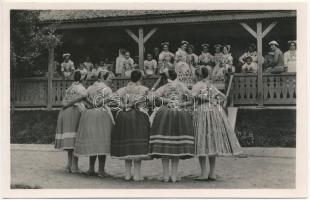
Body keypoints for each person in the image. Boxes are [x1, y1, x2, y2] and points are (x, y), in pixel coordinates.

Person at [192, 66, 242, 180]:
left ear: (199, 76)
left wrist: (203, 99)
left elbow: (193, 98)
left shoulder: (197, 85)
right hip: (214, 112)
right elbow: (223, 96)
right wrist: (215, 101)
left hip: (201, 112)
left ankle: (204, 173)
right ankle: (212, 173)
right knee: (212, 141)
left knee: (202, 141)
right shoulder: (210, 85)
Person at [149, 69, 195, 182]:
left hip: (165, 113)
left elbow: (153, 96)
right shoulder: (181, 86)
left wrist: (165, 100)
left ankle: (165, 176)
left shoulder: (165, 87)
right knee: (176, 145)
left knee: (165, 144)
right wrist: (182, 103)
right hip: (180, 113)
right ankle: (173, 176)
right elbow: (192, 98)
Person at [111, 70, 150, 181]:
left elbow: (113, 97)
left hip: (124, 116)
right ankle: (137, 175)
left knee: (127, 144)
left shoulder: (124, 89)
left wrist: (122, 105)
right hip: (138, 116)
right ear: (140, 78)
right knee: (137, 145)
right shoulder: (143, 89)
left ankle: (127, 174)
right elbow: (151, 99)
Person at [74, 70, 114, 177]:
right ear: (103, 78)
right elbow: (109, 100)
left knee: (93, 142)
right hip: (101, 115)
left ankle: (91, 169)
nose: (111, 80)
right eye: (110, 78)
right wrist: (99, 103)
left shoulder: (90, 87)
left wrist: (90, 103)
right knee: (102, 142)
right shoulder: (107, 89)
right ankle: (101, 170)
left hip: (89, 115)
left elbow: (82, 96)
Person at [55, 71, 87, 173]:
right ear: (83, 79)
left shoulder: (69, 88)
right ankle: (74, 166)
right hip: (74, 111)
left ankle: (69, 164)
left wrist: (66, 105)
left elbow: (63, 102)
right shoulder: (81, 88)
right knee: (75, 138)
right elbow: (82, 98)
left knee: (70, 138)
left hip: (65, 113)